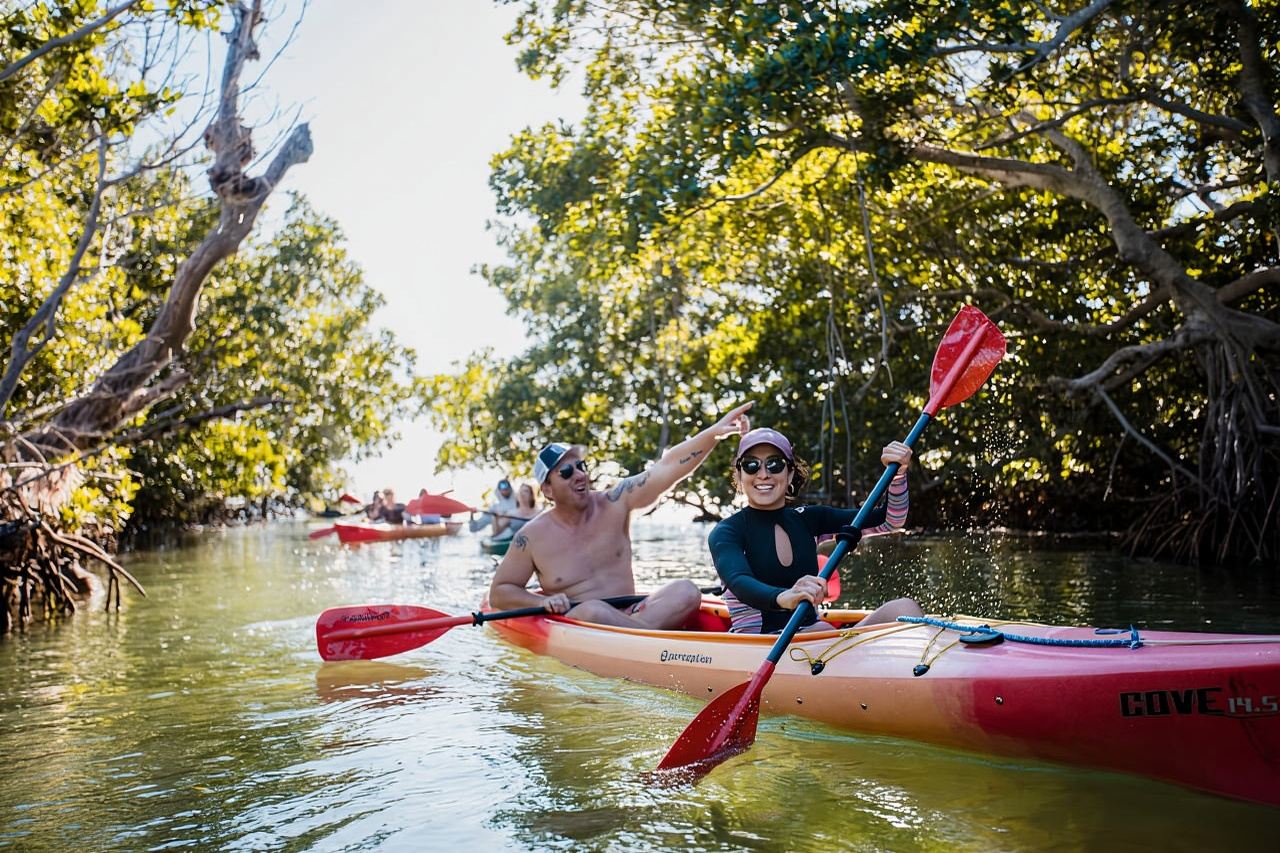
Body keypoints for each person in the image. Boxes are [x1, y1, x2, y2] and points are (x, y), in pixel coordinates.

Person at [488, 401, 754, 628]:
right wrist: (541, 602)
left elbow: (666, 467)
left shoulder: (616, 500)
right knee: (594, 610)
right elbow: (499, 593)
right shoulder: (530, 537)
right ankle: (653, 643)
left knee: (686, 591)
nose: (579, 474)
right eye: (566, 472)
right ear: (547, 489)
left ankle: (643, 637)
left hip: (633, 612)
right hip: (580, 621)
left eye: (580, 466)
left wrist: (713, 434)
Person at [709, 427, 922, 634]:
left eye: (775, 464)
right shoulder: (727, 532)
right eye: (751, 465)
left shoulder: (810, 519)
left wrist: (898, 475)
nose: (763, 474)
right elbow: (739, 582)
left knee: (905, 608)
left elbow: (891, 520)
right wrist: (785, 597)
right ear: (739, 475)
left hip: (815, 641)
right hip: (757, 644)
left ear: (790, 473)